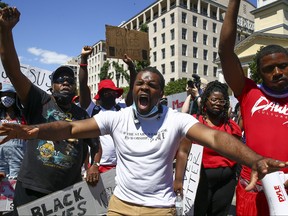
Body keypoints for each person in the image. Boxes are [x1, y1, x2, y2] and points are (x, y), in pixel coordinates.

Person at [0, 66, 287, 215]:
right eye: (140, 83)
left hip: (159, 210)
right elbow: (71, 129)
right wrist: (34, 131)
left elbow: (214, 136)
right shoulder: (117, 118)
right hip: (120, 207)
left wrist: (255, 159)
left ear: (161, 93)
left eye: (152, 84)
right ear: (134, 90)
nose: (145, 87)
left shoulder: (177, 120)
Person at [0, 7, 97, 215]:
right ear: (52, 86)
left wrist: (94, 166)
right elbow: (13, 70)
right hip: (31, 189)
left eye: (69, 81)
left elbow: (96, 146)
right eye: (60, 80)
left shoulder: (82, 115)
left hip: (68, 195)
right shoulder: (39, 100)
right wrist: (6, 31)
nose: (65, 83)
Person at [218, 0, 288, 215]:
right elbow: (226, 51)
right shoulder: (248, 92)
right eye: (268, 69)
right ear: (259, 73)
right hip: (252, 191)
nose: (277, 72)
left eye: (283, 66)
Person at [78, 46, 136, 173]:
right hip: (98, 166)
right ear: (100, 95)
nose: (109, 94)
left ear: (116, 94)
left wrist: (131, 67)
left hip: (123, 165)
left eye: (112, 91)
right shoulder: (93, 110)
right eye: (105, 92)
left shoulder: (123, 109)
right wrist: (84, 59)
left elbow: (132, 89)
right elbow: (83, 86)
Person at [193, 80, 242, 216]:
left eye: (222, 101)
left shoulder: (232, 126)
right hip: (200, 180)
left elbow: (238, 152)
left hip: (226, 181)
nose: (217, 104)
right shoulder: (194, 123)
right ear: (206, 100)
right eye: (214, 100)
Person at [0, 83, 26, 180]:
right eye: (3, 94)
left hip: (17, 158)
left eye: (10, 95)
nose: (6, 97)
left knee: (15, 184)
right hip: (0, 158)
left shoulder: (23, 116)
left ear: (15, 97)